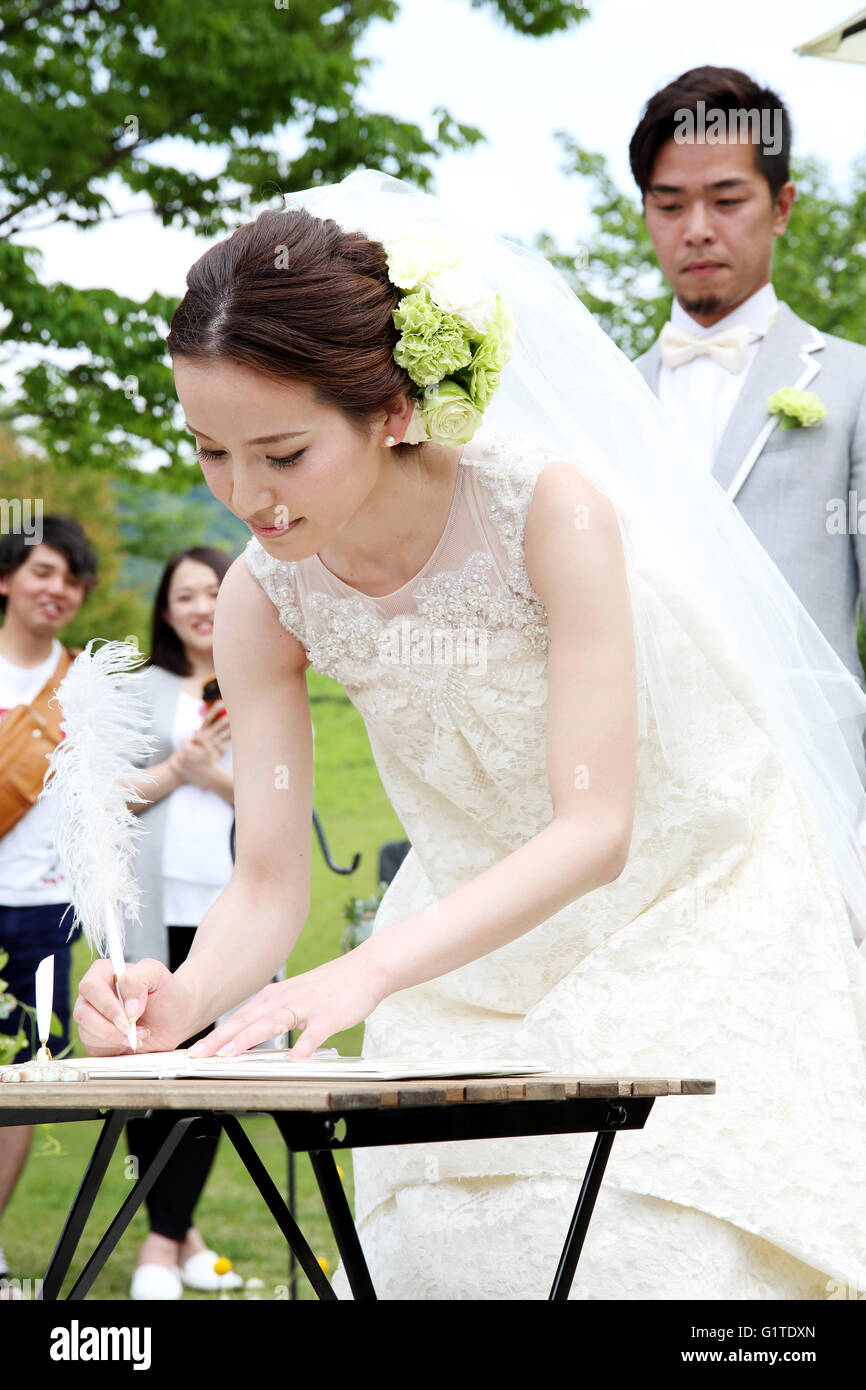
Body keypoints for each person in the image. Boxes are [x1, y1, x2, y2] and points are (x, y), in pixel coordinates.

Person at [75, 171, 866, 1300]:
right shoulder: (263, 599)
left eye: (282, 454)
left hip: (695, 904)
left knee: (654, 1262)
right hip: (466, 945)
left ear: (393, 410)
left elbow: (594, 825)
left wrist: (362, 974)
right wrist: (181, 998)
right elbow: (266, 885)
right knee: (447, 1266)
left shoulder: (549, 511)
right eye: (209, 451)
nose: (244, 495)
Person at [630, 65, 866, 688]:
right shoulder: (608, 398)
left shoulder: (854, 383)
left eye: (728, 201)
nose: (698, 229)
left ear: (781, 206)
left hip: (813, 770)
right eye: (670, 205)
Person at [121, 546, 241, 1300]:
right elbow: (111, 797)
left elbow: (289, 806)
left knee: (214, 1069)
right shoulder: (142, 691)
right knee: (147, 1070)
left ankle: (163, 1242)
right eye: (186, 596)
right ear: (166, 612)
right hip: (149, 907)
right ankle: (177, 1238)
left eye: (215, 591)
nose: (202, 606)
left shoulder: (262, 681)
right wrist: (179, 768)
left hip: (232, 914)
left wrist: (215, 775)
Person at [0, 516, 96, 1287]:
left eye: (71, 578)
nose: (57, 589)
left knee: (24, 1080)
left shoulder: (85, 687)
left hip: (43, 909)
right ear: (5, 579)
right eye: (42, 571)